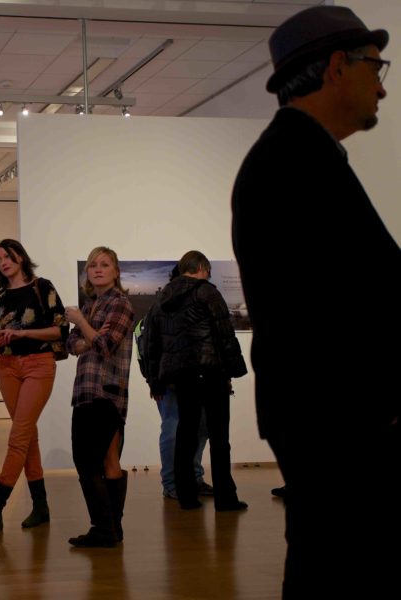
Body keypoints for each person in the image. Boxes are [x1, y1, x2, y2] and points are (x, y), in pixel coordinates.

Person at [231, 6, 399, 597]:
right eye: (375, 67)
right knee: (339, 564)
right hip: (338, 416)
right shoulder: (293, 162)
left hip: (326, 411)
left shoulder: (297, 156)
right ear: (335, 68)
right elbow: (348, 300)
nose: (381, 85)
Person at [142, 251, 247, 512]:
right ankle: (226, 498)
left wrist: (154, 380)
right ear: (201, 267)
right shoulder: (207, 292)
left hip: (180, 376)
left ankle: (186, 496)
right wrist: (235, 369)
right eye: (207, 271)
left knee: (185, 434)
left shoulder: (161, 298)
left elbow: (151, 344)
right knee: (219, 437)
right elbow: (224, 333)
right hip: (211, 371)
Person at [0, 239, 67, 533]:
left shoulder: (42, 287)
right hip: (7, 367)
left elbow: (60, 329)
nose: (3, 262)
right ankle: (41, 506)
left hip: (38, 364)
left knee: (18, 436)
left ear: (20, 256)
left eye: (7, 255)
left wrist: (23, 334)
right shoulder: (0, 297)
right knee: (27, 435)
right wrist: (0, 340)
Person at [63, 247, 133, 547]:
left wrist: (82, 324)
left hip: (106, 392)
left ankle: (104, 528)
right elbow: (71, 345)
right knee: (105, 459)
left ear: (116, 271)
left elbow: (104, 345)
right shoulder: (91, 305)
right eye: (92, 265)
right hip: (87, 391)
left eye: (105, 264)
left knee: (88, 461)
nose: (98, 269)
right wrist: (88, 333)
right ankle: (112, 529)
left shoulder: (120, 304)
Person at [138, 266, 214, 500]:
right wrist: (154, 382)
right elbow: (147, 346)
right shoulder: (160, 306)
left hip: (197, 379)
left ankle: (194, 477)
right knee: (173, 430)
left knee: (200, 428)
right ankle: (172, 483)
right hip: (169, 382)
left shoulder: (198, 304)